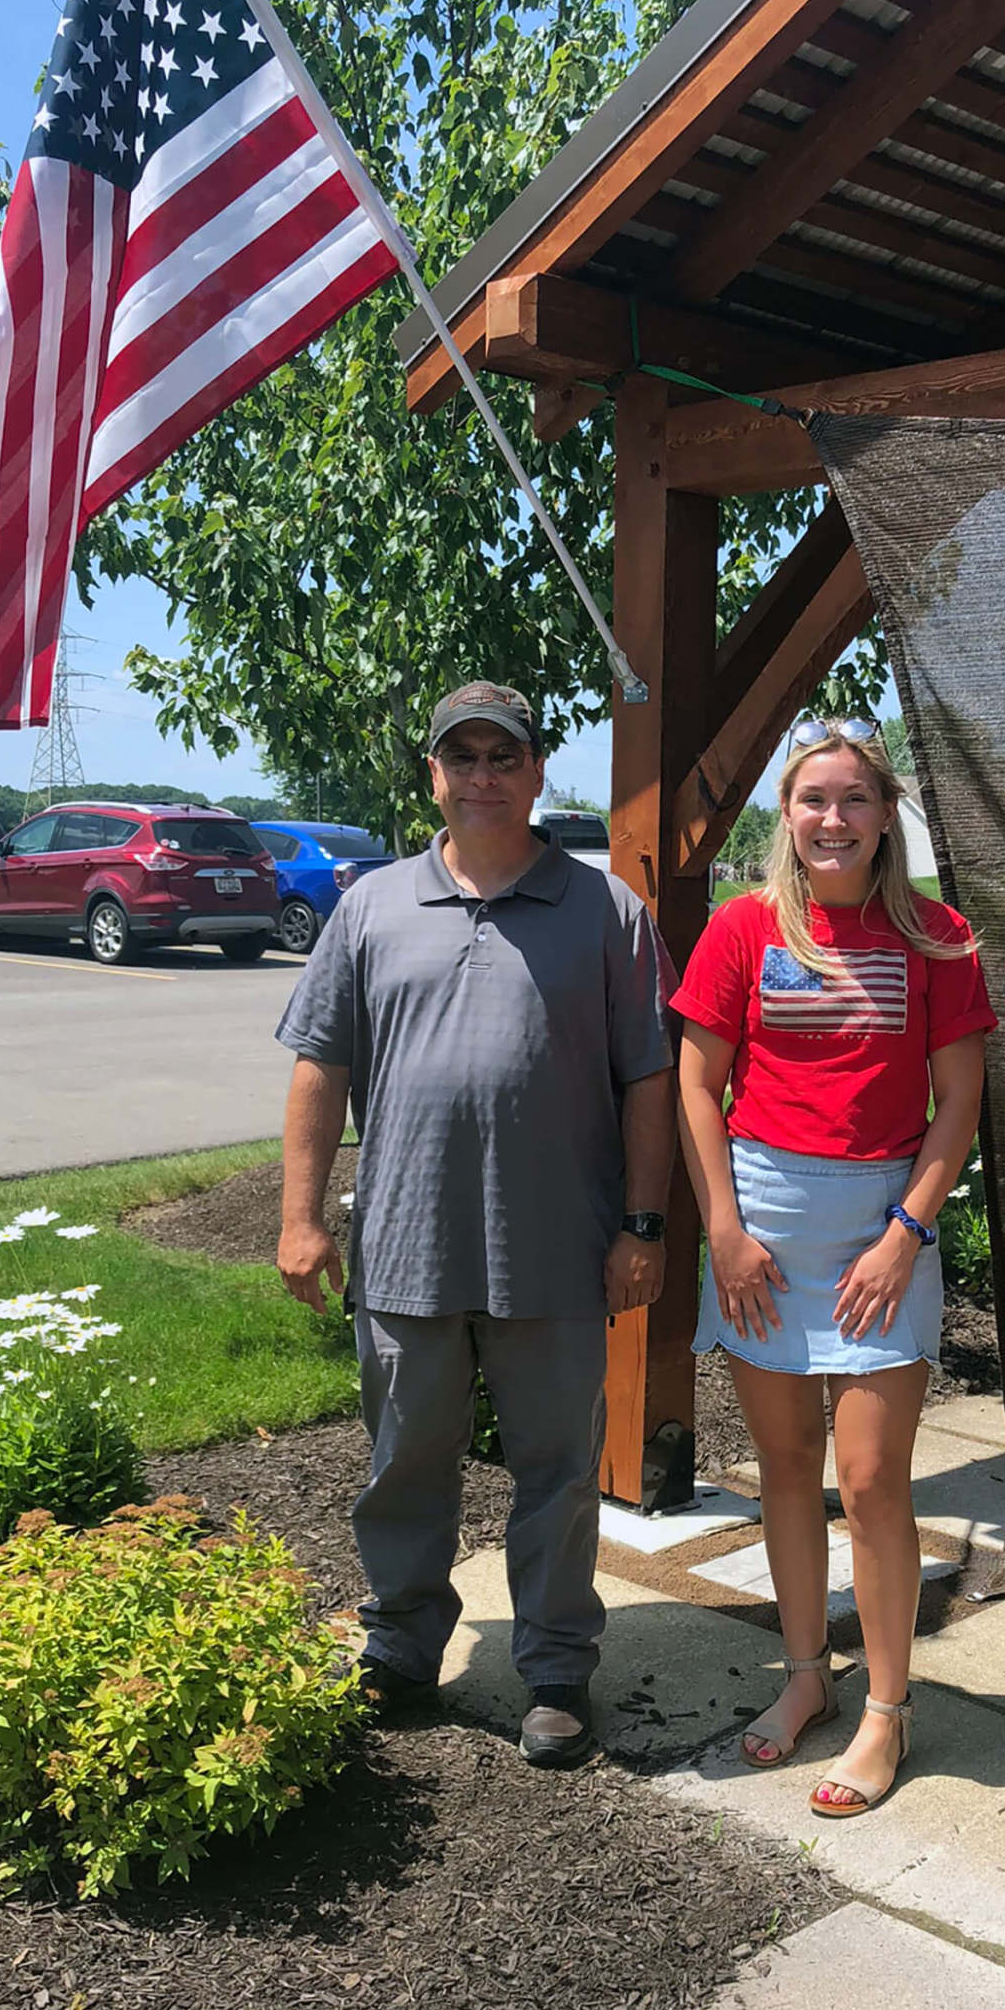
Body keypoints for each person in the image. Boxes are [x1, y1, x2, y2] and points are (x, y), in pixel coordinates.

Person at [274, 680, 677, 1769]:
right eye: (465, 757)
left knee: (558, 1468)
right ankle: (402, 1640)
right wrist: (301, 1217)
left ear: (540, 773)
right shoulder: (370, 908)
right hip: (405, 1244)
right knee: (406, 1458)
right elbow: (322, 1064)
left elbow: (650, 1078)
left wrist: (645, 1223)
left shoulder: (607, 914)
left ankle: (553, 1664)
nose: (485, 775)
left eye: (507, 755)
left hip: (557, 1246)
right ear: (435, 776)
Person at [674, 718, 996, 1817]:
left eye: (854, 797)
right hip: (762, 1231)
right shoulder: (744, 927)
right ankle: (806, 1676)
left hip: (881, 1232)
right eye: (813, 798)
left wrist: (905, 1233)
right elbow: (695, 1085)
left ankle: (888, 1712)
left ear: (884, 815)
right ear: (787, 814)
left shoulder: (938, 936)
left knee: (871, 1483)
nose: (832, 818)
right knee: (783, 1462)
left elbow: (958, 1104)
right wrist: (723, 1228)